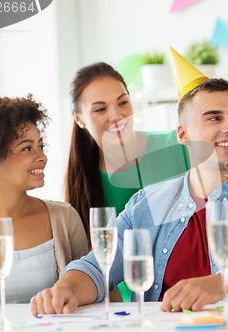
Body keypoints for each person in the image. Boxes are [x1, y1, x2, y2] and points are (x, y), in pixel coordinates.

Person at [29, 53, 228, 315]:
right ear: (183, 135)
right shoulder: (145, 204)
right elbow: (97, 267)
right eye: (214, 117)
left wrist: (223, 284)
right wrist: (65, 290)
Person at [66, 62, 190, 301]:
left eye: (123, 102)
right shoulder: (83, 180)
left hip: (188, 297)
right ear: (79, 118)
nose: (117, 116)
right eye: (100, 109)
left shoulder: (178, 147)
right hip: (127, 307)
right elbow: (97, 265)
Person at [0, 95, 88, 304]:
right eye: (27, 148)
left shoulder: (65, 218)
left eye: (41, 146)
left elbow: (94, 288)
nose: (42, 157)